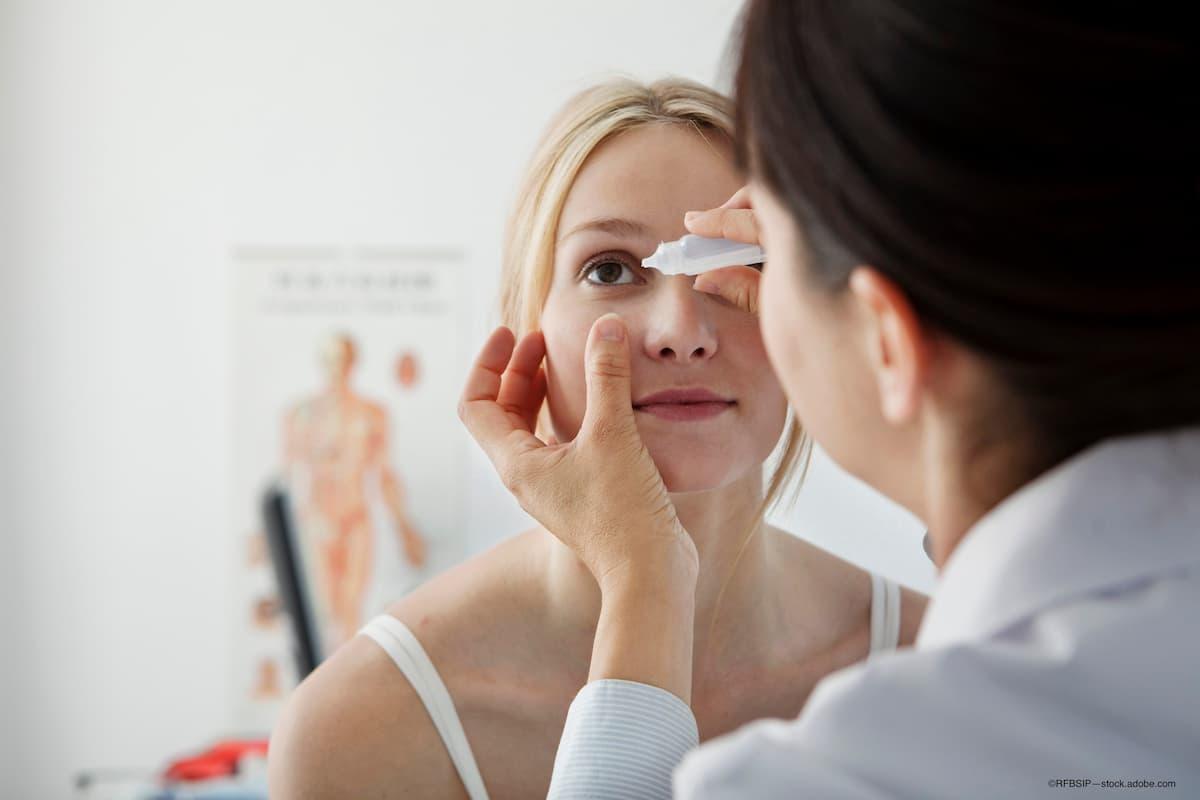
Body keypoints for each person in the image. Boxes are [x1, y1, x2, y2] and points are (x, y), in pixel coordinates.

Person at [459, 3, 1200, 799]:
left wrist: (645, 589)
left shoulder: (835, 773)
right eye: (608, 269)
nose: (682, 330)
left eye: (752, 254)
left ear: (886, 333)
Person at [267, 78, 927, 799]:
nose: (680, 334)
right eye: (609, 269)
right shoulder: (360, 728)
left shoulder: (937, 663)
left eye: (738, 263)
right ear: (530, 329)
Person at [284, 332, 427, 646]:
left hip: (356, 519)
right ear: (321, 363)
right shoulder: (301, 414)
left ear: (353, 362)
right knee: (324, 609)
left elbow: (384, 474)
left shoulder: (372, 414)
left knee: (350, 608)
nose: (337, 367)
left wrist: (405, 527)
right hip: (317, 519)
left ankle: (339, 690)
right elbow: (287, 477)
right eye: (331, 359)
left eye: (343, 358)